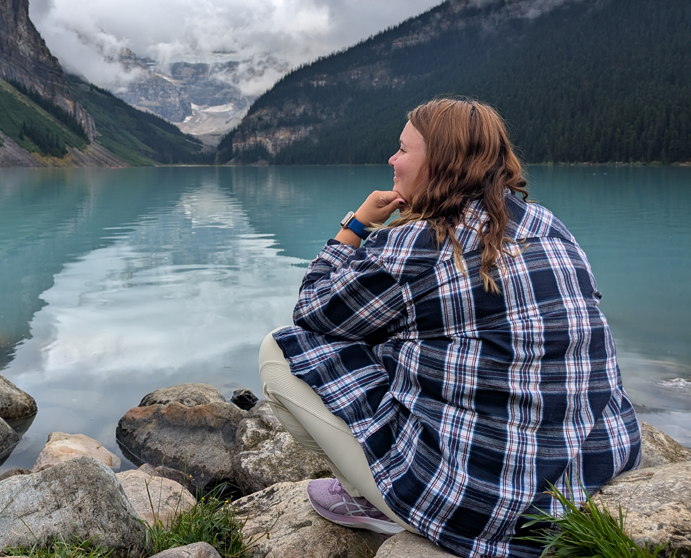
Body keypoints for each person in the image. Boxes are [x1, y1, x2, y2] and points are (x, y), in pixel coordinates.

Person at [259, 98, 641, 558]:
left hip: (487, 507)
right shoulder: (548, 224)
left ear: (439, 162)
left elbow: (312, 310)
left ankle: (376, 501)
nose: (391, 160)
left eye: (403, 150)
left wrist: (356, 225)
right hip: (596, 468)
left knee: (279, 351)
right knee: (398, 339)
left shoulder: (417, 244)